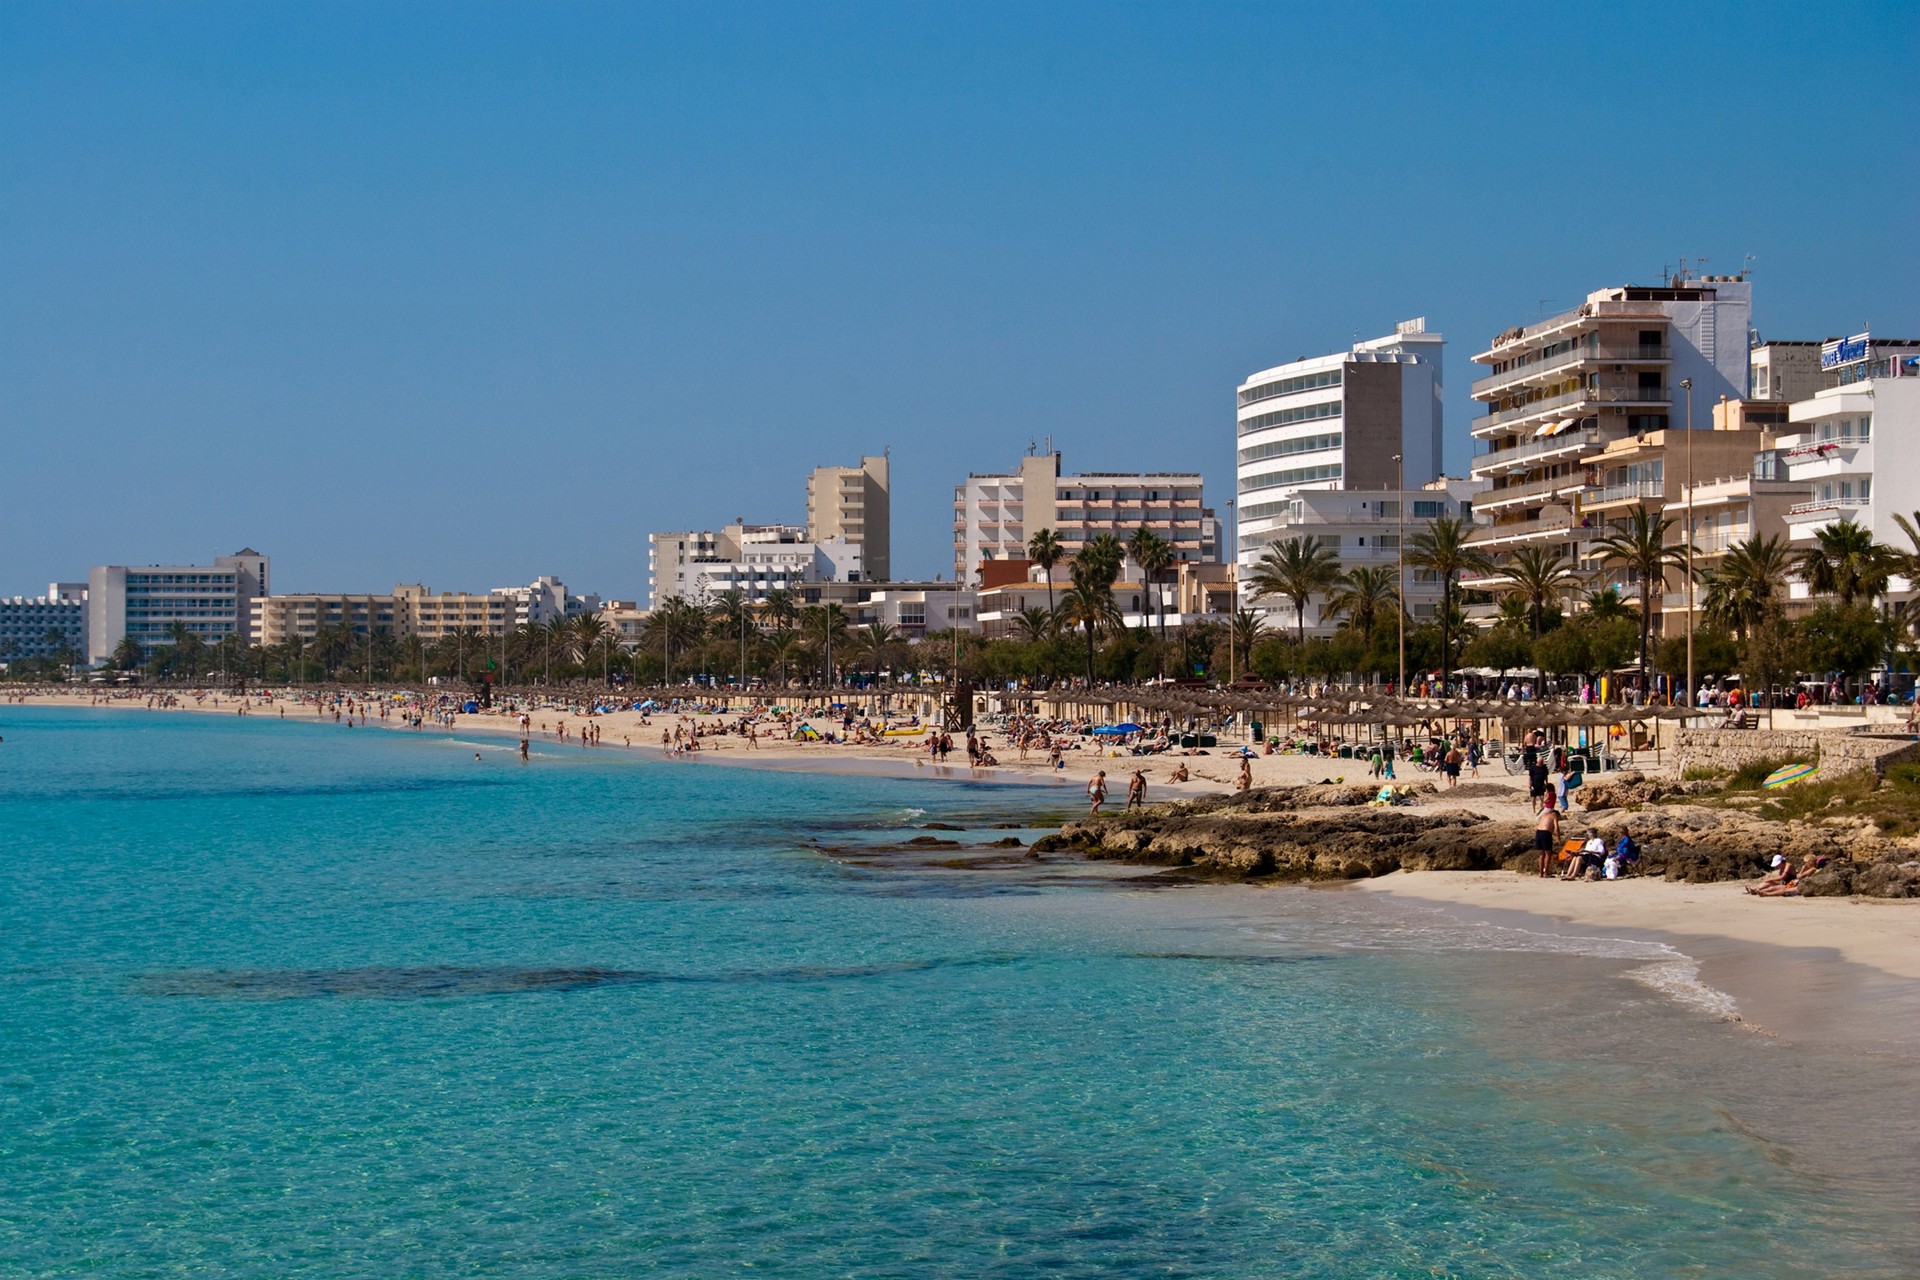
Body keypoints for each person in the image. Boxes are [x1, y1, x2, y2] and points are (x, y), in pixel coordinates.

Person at [1534, 799, 1561, 878]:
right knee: (1548, 854)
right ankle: (1546, 873)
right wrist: (1559, 838)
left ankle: (1540, 873)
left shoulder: (1545, 815)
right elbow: (1556, 828)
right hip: (1545, 833)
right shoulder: (1554, 815)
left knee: (1541, 854)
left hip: (1538, 832)